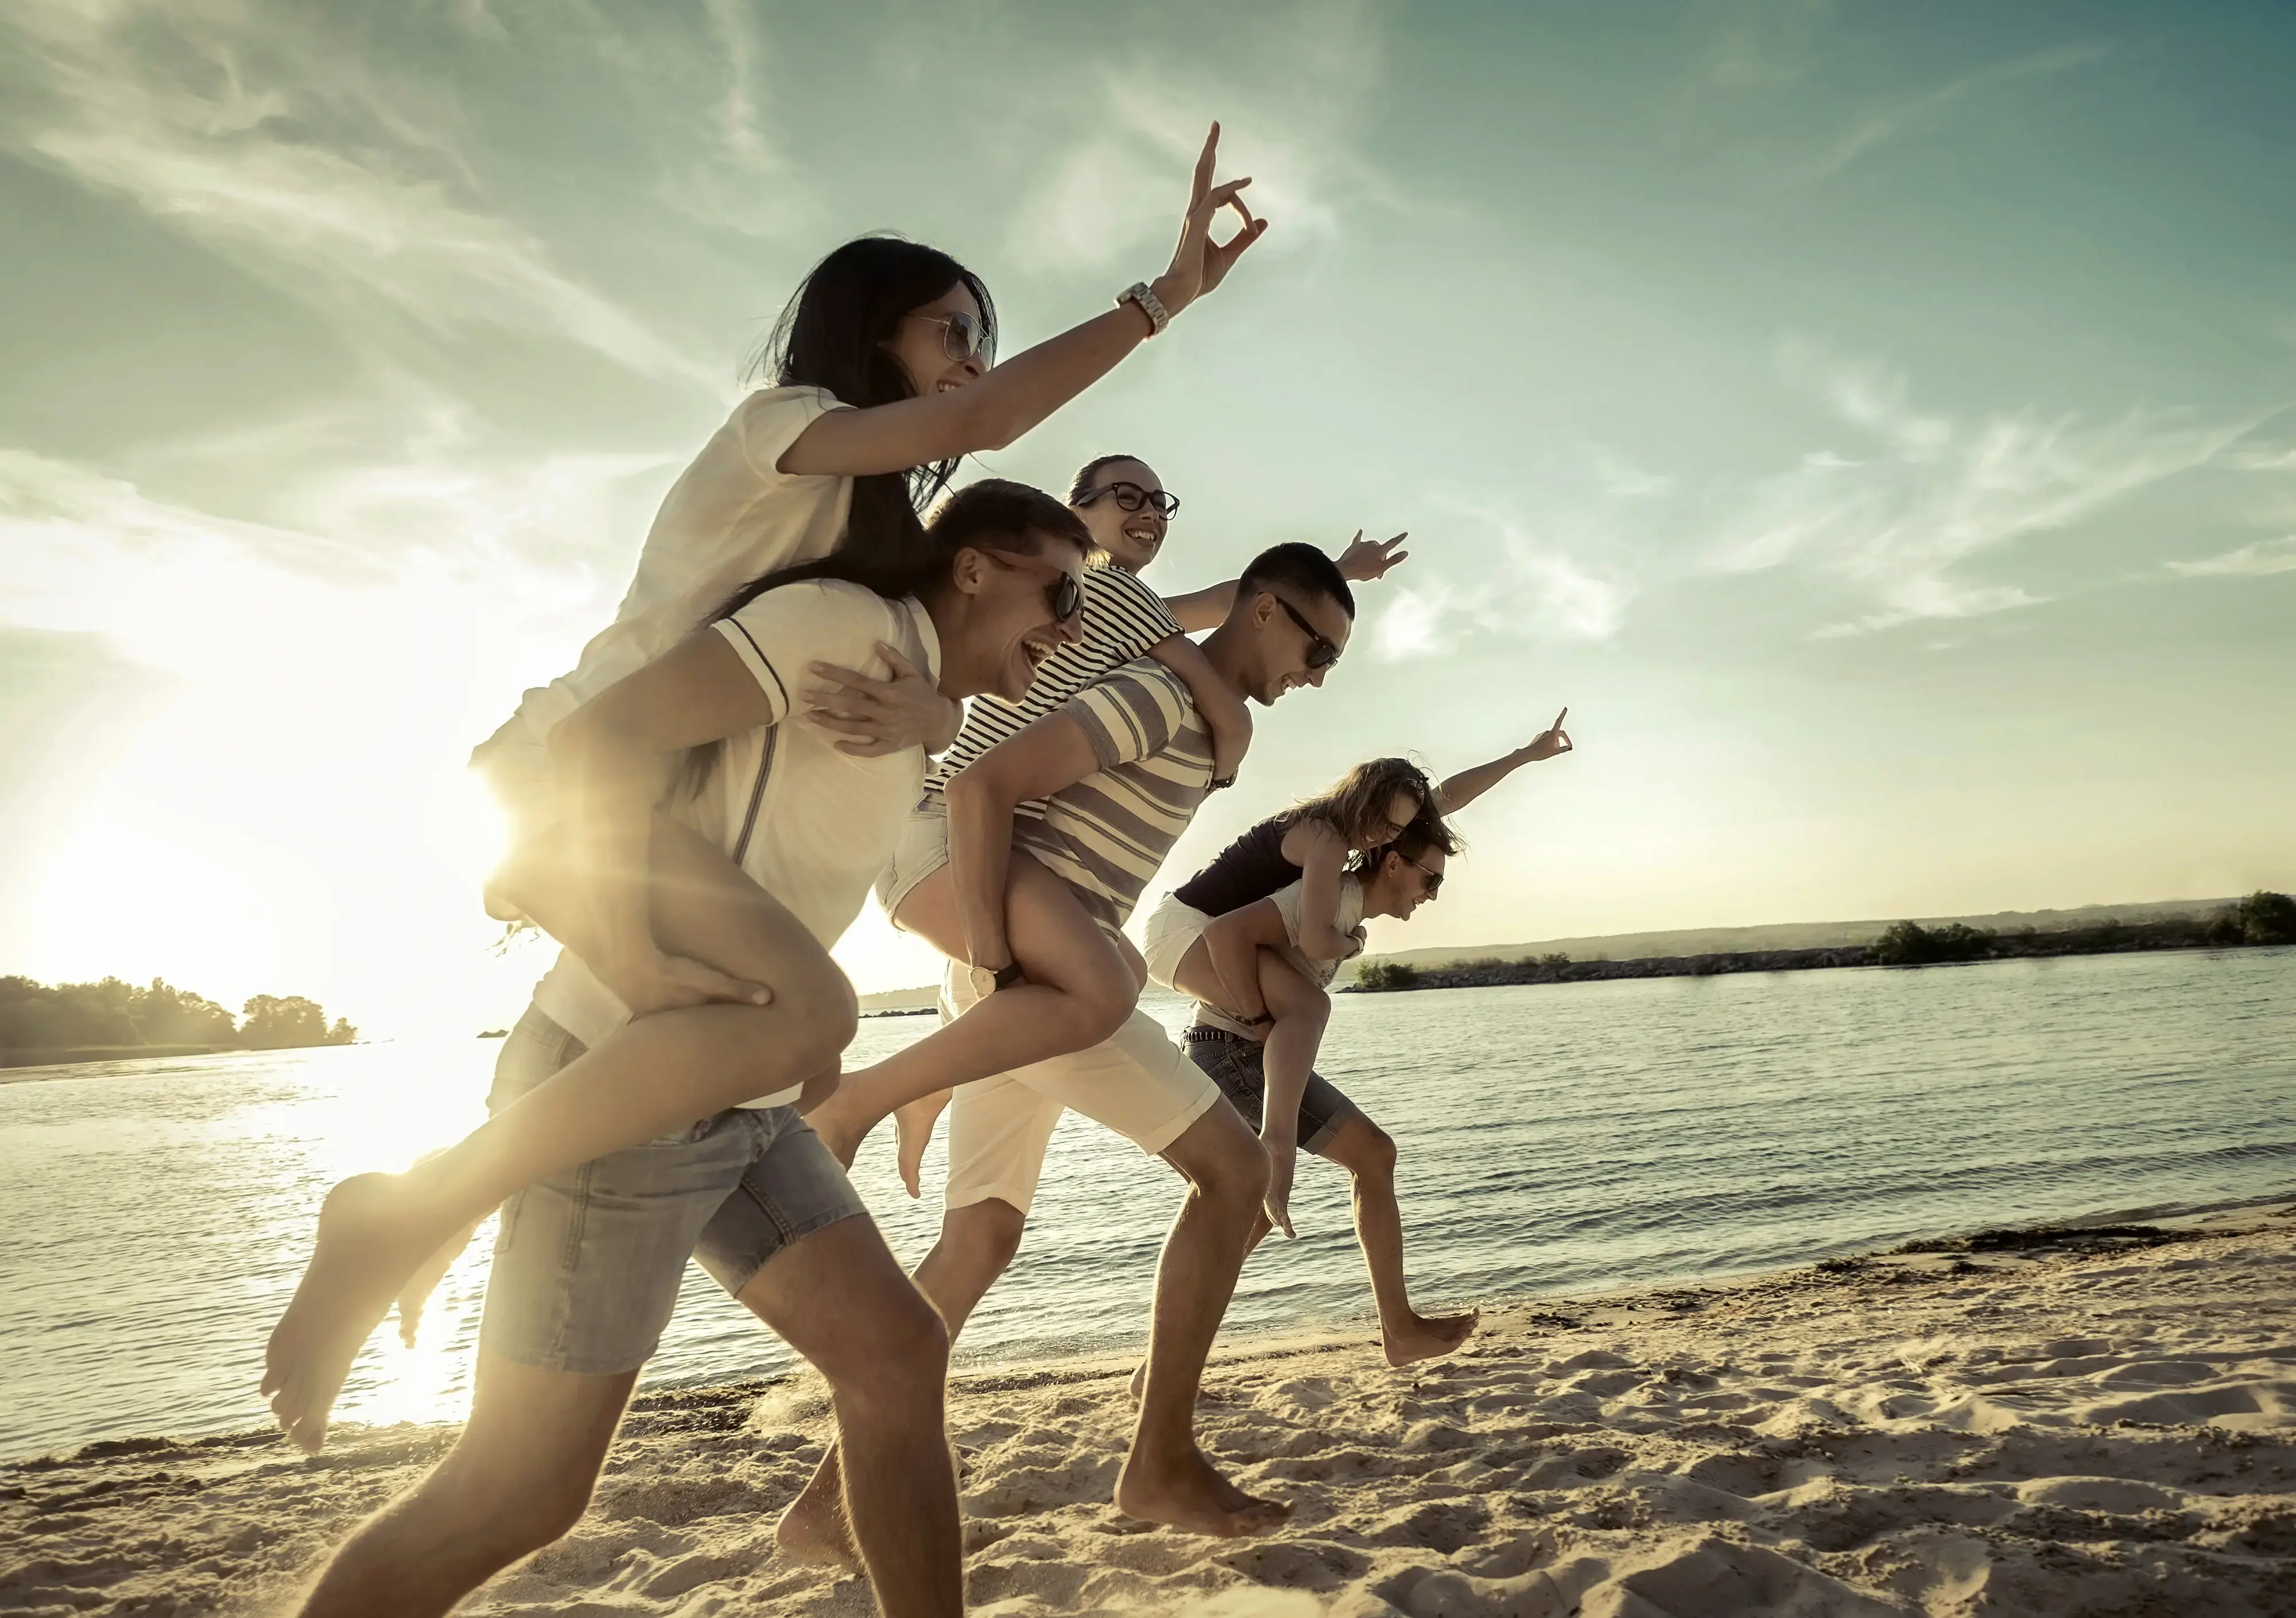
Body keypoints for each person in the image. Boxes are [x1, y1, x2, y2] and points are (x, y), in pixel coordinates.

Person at [263, 482, 1090, 1520]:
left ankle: (432, 1199)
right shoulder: (842, 626)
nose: (1068, 628)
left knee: (898, 1354)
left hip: (738, 1094)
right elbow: (601, 740)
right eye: (1061, 592)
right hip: (633, 1073)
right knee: (517, 1495)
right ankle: (409, 1207)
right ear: (974, 567)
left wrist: (947, 714)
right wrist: (631, 956)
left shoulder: (912, 695)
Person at [777, 542, 1362, 1551]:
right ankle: (1160, 1461)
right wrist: (1001, 966)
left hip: (1033, 972)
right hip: (1039, 978)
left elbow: (1213, 735)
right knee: (1230, 1172)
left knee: (978, 1242)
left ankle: (828, 1504)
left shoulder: (1205, 711)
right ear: (1267, 612)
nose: (1318, 674)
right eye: (1320, 647)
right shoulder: (1157, 701)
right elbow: (988, 781)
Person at [802, 451, 1408, 1193]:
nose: (1151, 510)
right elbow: (1214, 637)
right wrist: (1231, 727)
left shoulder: (1118, 607)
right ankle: (865, 1096)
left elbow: (1220, 608)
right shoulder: (1106, 593)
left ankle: (931, 1079)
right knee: (1100, 988)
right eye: (1128, 495)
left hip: (985, 823)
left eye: (1162, 500)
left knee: (1119, 968)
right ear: (1075, 513)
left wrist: (1327, 579)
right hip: (954, 818)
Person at [1142, 715, 1574, 1234]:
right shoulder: (1323, 837)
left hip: (1206, 930)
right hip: (1181, 933)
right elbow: (1315, 939)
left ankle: (1271, 1141)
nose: (1389, 837)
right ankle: (1276, 1140)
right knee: (1306, 1008)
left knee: (1303, 1014)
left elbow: (1449, 797)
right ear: (1364, 800)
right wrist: (1349, 945)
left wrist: (1524, 756)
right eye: (1387, 825)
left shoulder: (1357, 830)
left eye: (1398, 830)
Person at [1176, 822, 1476, 1368]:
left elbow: (1439, 801)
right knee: (1353, 1163)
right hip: (1232, 1052)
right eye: (1430, 880)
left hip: (1239, 1050)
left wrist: (1525, 756)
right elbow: (1227, 934)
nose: (1430, 895)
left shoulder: (1344, 909)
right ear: (1393, 864)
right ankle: (1398, 1330)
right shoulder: (1329, 897)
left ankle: (1398, 1329)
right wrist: (1263, 1029)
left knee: (1264, 1208)